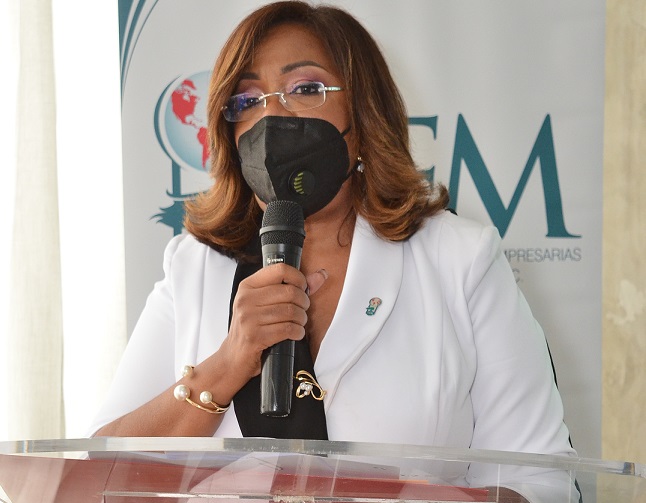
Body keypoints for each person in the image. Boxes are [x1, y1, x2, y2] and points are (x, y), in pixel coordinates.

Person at [89, 2, 579, 501]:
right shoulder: (193, 265)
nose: (272, 116)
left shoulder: (459, 259)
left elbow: (542, 481)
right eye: (247, 100)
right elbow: (96, 475)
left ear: (363, 115)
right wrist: (229, 361)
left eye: (305, 89)